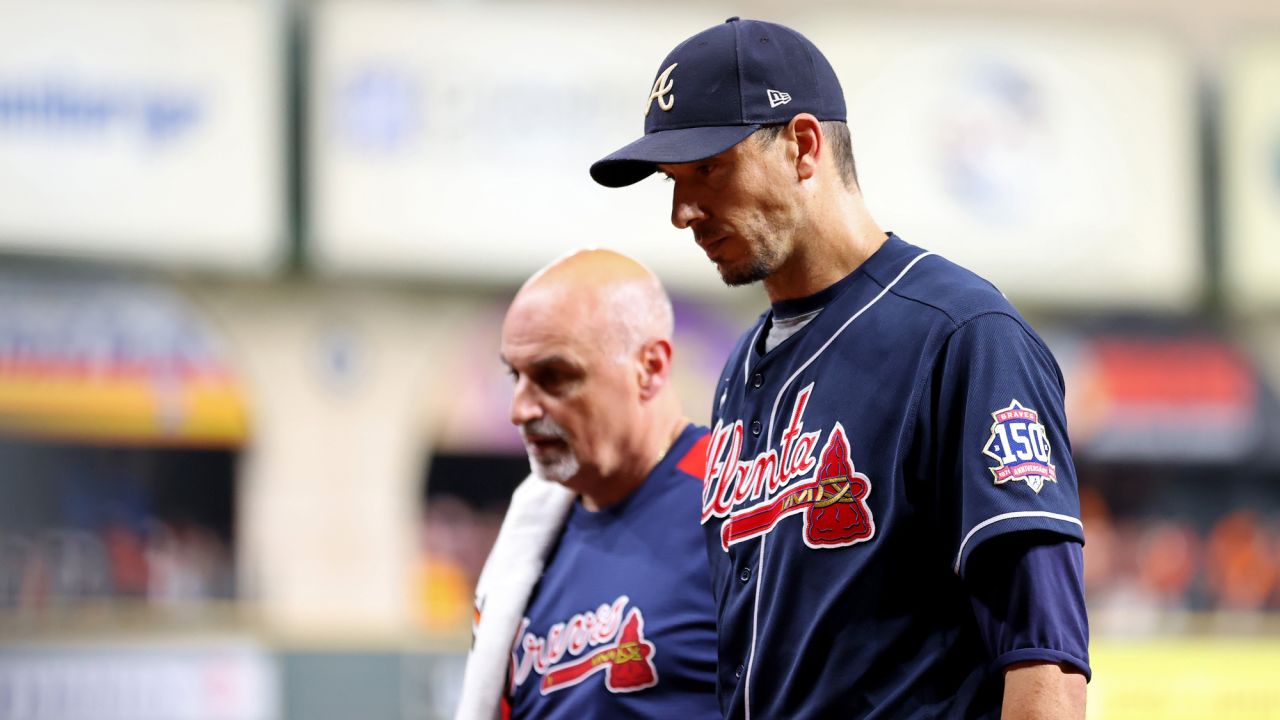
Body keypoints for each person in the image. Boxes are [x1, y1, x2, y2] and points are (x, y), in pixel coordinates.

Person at [590, 17, 1090, 720]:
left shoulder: (962, 337)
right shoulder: (742, 366)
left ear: (802, 146)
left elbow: (1049, 666)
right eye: (672, 181)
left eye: (708, 169)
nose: (683, 212)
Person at [454, 249, 720, 720]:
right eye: (515, 376)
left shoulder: (738, 500)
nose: (520, 409)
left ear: (651, 368)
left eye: (553, 377)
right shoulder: (530, 538)